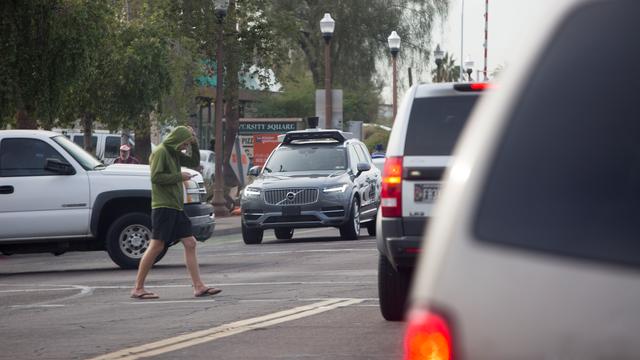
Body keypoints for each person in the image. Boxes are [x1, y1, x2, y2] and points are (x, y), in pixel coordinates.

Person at [130, 126, 221, 299]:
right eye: (185, 143)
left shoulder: (173, 152)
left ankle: (199, 286)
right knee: (157, 245)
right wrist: (180, 176)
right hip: (163, 206)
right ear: (177, 140)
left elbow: (194, 161)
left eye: (187, 144)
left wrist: (194, 142)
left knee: (190, 243)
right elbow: (155, 177)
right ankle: (138, 288)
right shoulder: (161, 152)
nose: (185, 146)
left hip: (176, 206)